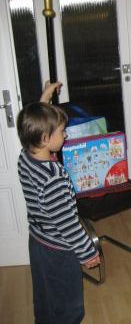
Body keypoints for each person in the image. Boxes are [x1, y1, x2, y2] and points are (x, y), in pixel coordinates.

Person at [16, 82, 100, 324]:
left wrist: (44, 99)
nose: (65, 135)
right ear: (45, 138)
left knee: (45, 296)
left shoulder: (25, 157)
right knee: (68, 304)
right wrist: (88, 253)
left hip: (39, 242)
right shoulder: (53, 179)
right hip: (60, 250)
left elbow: (33, 125)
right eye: (62, 131)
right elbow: (68, 225)